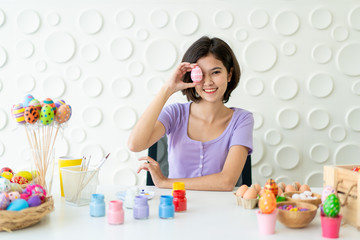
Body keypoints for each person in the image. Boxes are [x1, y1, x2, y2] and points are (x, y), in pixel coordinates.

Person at [128, 36, 253, 191]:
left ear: (229, 74)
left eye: (215, 72)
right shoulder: (175, 114)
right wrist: (168, 89)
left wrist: (165, 182)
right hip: (177, 208)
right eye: (200, 74)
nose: (208, 82)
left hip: (221, 209)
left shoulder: (242, 120)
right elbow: (135, 145)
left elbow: (226, 182)